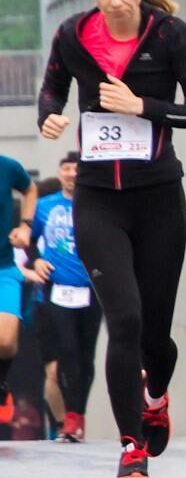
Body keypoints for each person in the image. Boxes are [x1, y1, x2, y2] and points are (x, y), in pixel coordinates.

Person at [38, 0, 186, 478]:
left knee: (156, 335)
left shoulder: (170, 36)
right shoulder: (72, 35)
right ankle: (131, 444)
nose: (115, 1)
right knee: (125, 319)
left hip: (159, 196)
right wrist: (49, 118)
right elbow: (51, 92)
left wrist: (143, 107)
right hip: (98, 199)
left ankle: (155, 397)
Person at [23, 154, 100, 442]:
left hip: (92, 289)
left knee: (86, 356)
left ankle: (79, 413)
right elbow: (26, 240)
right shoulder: (45, 206)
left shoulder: (97, 204)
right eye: (66, 169)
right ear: (59, 173)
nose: (71, 174)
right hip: (56, 290)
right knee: (66, 352)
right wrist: (36, 262)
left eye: (76, 169)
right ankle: (70, 418)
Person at [0, 151, 35, 440]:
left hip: (3, 268)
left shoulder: (8, 166)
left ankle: (1, 384)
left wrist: (26, 226)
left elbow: (30, 188)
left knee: (6, 341)